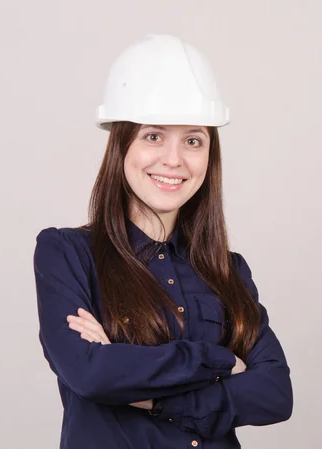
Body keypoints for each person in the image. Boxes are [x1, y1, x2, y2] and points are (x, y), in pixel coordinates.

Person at [33, 34, 293, 449]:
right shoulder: (66, 254)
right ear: (121, 146)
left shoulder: (229, 271)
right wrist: (221, 361)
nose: (174, 159)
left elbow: (276, 393)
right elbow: (89, 374)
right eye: (154, 136)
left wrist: (150, 396)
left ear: (210, 156)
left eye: (193, 140)